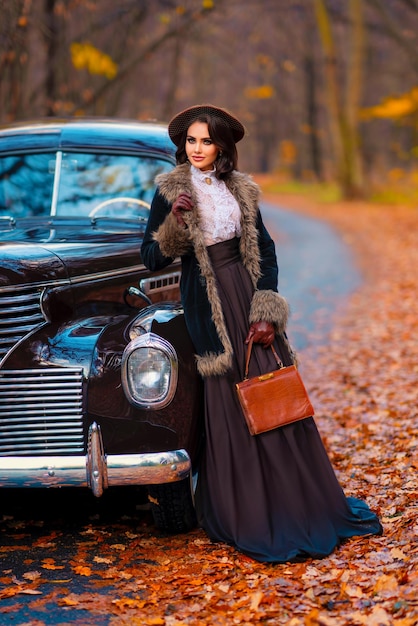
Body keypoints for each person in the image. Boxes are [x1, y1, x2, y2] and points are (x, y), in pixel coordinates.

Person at [140, 103, 382, 563]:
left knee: (274, 397)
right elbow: (152, 257)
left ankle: (299, 502)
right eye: (190, 141)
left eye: (205, 141)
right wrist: (176, 221)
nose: (197, 149)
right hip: (208, 307)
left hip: (249, 300)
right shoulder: (170, 190)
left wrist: (266, 309)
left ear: (222, 147)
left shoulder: (241, 189)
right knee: (230, 403)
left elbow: (265, 252)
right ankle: (243, 511)